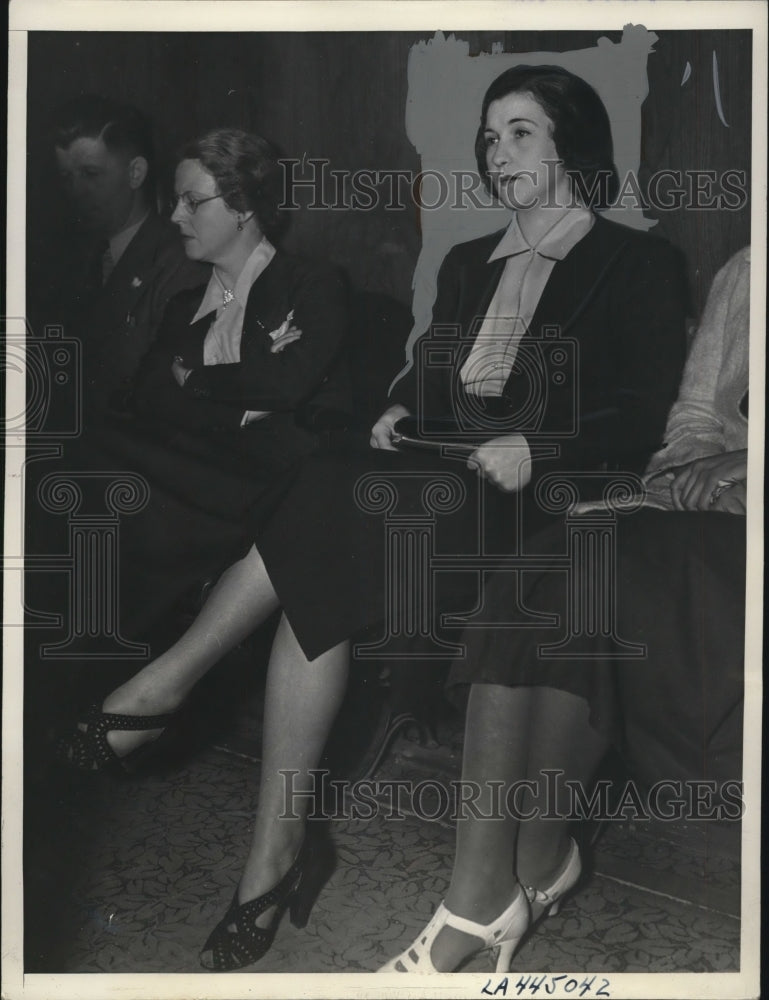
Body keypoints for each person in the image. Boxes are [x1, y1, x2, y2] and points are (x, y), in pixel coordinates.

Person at [60, 66, 688, 971]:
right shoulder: (474, 260)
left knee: (320, 507)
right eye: (486, 136)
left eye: (518, 132)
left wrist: (536, 445)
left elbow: (639, 413)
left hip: (537, 501)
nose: (495, 152)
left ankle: (164, 695)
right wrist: (398, 407)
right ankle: (268, 857)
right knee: (325, 542)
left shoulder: (634, 262)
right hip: (434, 483)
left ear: (570, 146)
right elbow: (426, 380)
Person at [380, 245, 749, 973]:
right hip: (696, 510)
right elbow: (693, 418)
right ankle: (483, 892)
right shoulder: (746, 269)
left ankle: (536, 869)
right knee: (548, 568)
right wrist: (685, 475)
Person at [29, 95, 208, 422]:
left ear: (136, 173)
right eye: (67, 177)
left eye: (91, 174)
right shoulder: (68, 260)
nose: (76, 191)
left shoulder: (183, 264)